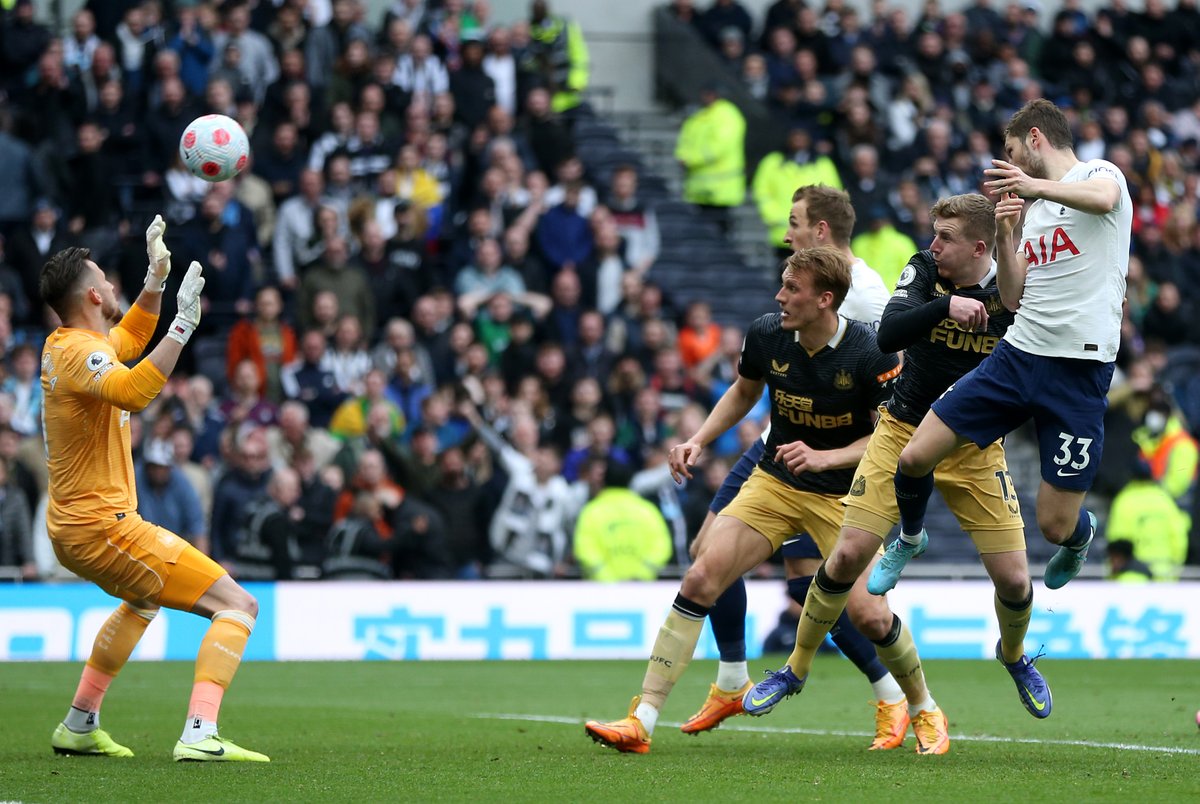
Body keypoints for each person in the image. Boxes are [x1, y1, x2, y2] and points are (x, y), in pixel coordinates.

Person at [584, 247, 941, 755]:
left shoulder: (870, 352)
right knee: (702, 576)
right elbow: (743, 390)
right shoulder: (767, 332)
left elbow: (895, 438)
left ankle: (921, 706)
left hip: (844, 497)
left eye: (792, 288)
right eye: (781, 284)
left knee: (869, 616)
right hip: (774, 482)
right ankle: (641, 719)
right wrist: (699, 440)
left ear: (825, 299)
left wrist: (824, 457)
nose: (780, 296)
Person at [751, 194, 1051, 742]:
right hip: (901, 430)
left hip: (974, 446)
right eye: (933, 234)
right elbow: (887, 334)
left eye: (945, 238)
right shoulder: (925, 269)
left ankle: (1013, 656)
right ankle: (793, 669)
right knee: (844, 560)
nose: (933, 245)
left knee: (1014, 579)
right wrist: (944, 307)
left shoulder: (1015, 284)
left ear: (980, 247)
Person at [680, 186, 901, 748]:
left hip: (833, 466)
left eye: (795, 222)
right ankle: (732, 678)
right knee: (707, 553)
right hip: (780, 450)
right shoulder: (798, 286)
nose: (787, 232)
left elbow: (893, 381)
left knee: (822, 595)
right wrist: (703, 437)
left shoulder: (869, 299)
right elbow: (754, 378)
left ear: (821, 231)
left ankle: (894, 697)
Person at [886, 98, 1132, 593]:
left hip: (1079, 373)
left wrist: (1030, 186)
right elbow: (1013, 296)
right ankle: (911, 538)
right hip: (1018, 356)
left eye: (1013, 150)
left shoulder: (1099, 172)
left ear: (1036, 138)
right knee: (913, 458)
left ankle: (1080, 538)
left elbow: (1104, 199)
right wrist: (1004, 231)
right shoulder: (1034, 214)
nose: (1012, 163)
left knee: (1055, 526)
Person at [41, 222, 267, 761]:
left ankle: (78, 724)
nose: (114, 287)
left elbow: (131, 339)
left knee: (141, 601)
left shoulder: (69, 344)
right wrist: (185, 324)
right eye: (108, 280)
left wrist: (156, 280)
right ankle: (199, 731)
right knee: (238, 604)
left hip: (76, 527)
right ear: (94, 295)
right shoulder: (79, 354)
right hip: (103, 526)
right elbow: (132, 391)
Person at [573, 459, 673, 582]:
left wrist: (606, 578)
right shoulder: (647, 510)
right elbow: (661, 546)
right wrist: (642, 575)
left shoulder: (591, 512)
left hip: (599, 593)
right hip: (642, 591)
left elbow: (585, 548)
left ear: (603, 481)